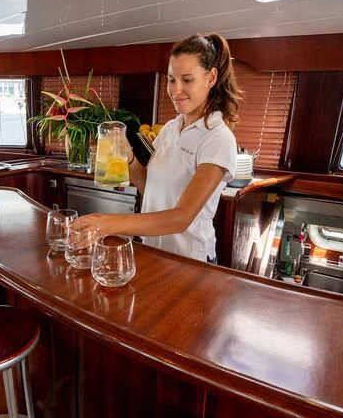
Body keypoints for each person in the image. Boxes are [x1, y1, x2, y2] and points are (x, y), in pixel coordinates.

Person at [69, 33, 240, 262]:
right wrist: (128, 159)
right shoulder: (171, 128)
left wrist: (105, 223)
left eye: (187, 80)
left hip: (189, 262)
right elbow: (149, 186)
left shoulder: (218, 138)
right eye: (171, 79)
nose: (175, 90)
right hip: (153, 252)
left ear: (211, 78)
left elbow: (181, 218)